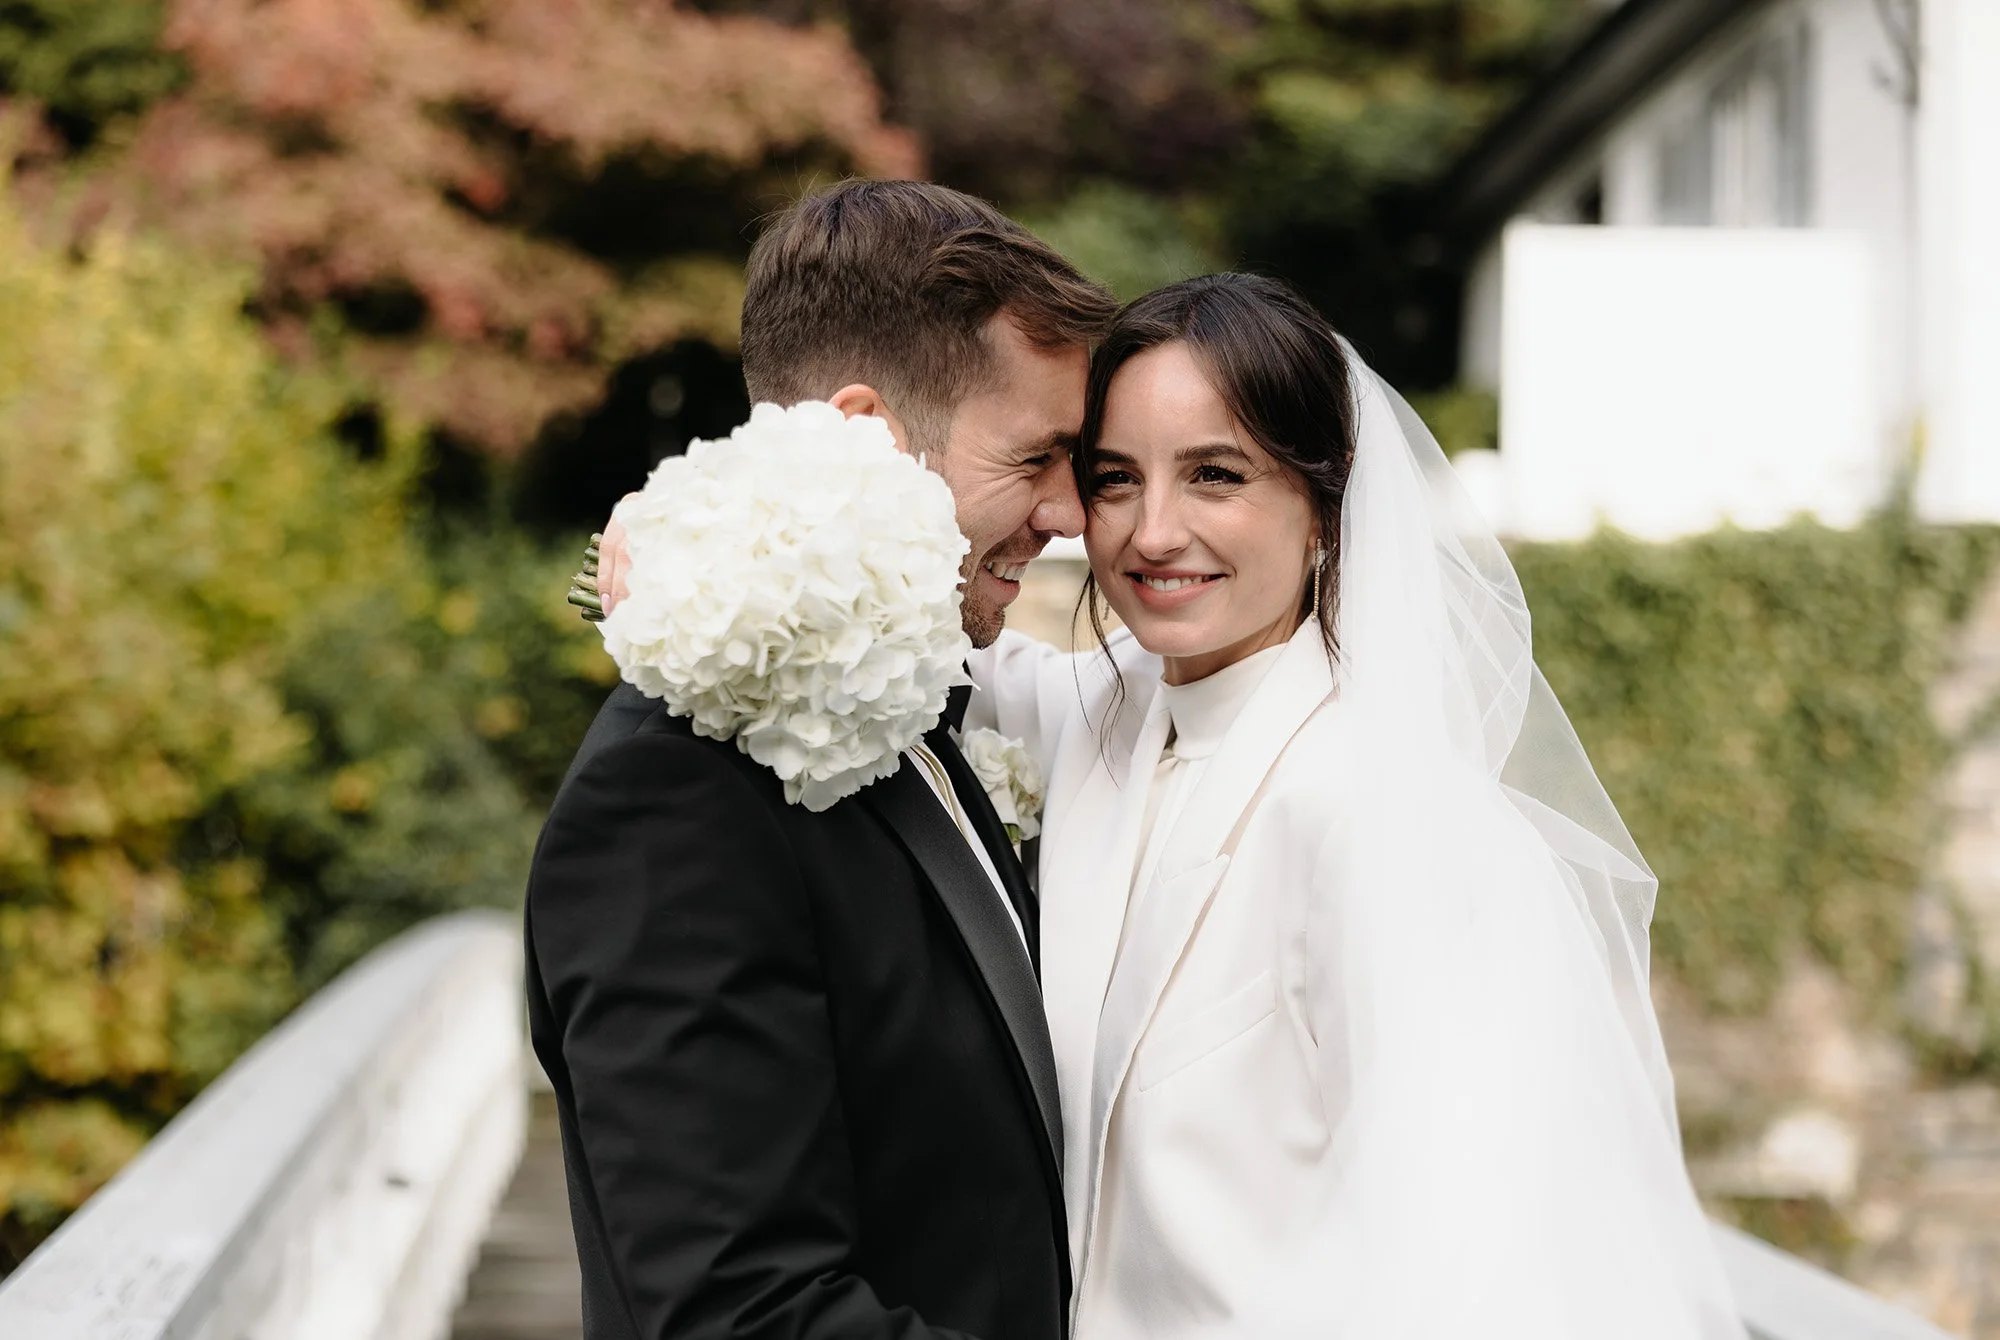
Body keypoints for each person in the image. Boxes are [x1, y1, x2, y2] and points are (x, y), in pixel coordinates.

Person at [962, 273, 1747, 1338]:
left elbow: (1464, 1256)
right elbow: (913, 644)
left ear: (1327, 509)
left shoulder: (1382, 817)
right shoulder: (1099, 721)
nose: (1151, 531)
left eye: (1214, 474)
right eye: (1113, 479)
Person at [525, 179, 1116, 1340]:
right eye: (1040, 455)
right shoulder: (676, 795)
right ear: (862, 434)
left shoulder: (916, 698)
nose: (1069, 513)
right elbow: (739, 1312)